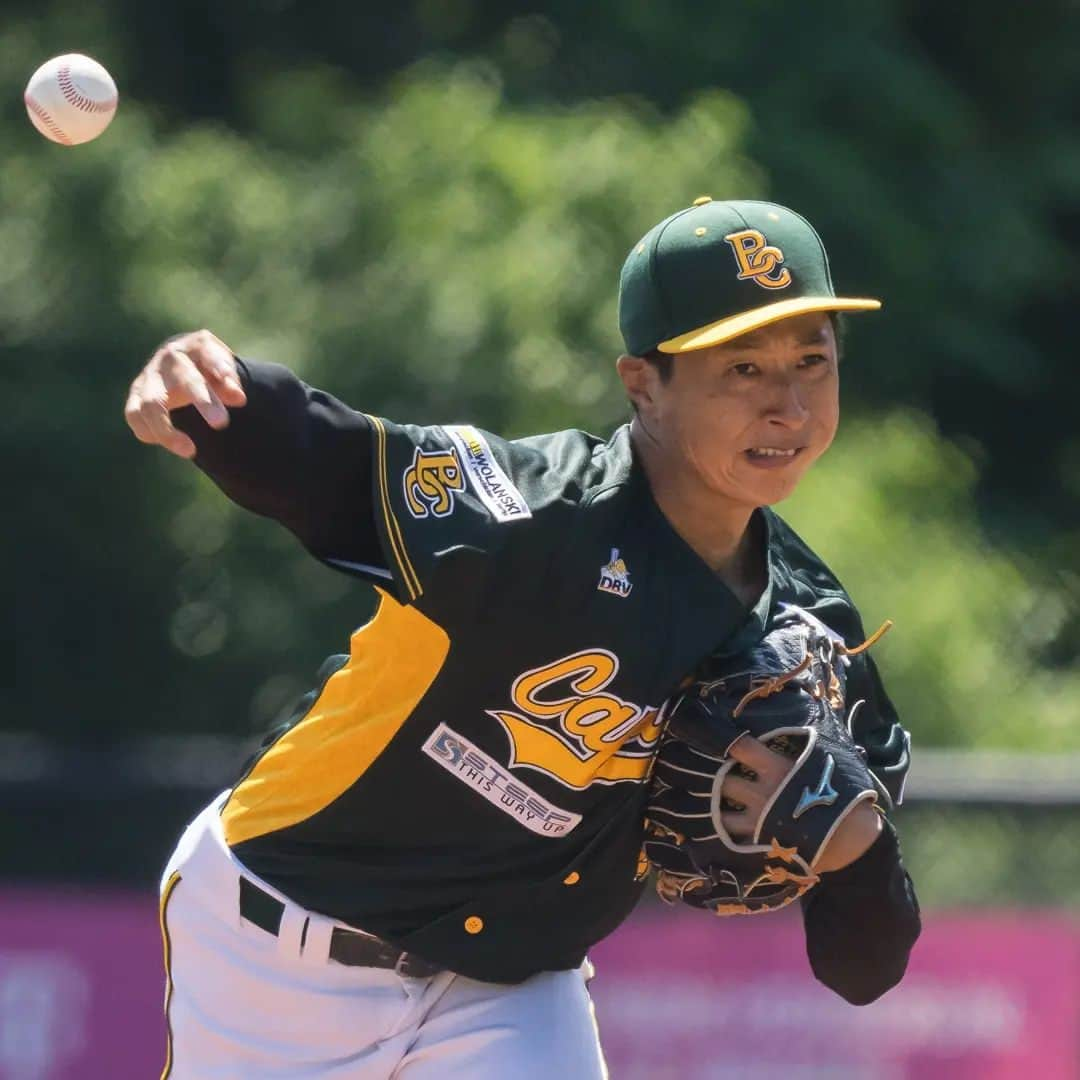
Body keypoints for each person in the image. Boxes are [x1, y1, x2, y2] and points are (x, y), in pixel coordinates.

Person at [125, 197, 921, 1079]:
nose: (788, 405)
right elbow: (331, 459)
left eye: (813, 361)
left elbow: (864, 969)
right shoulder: (530, 516)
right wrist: (209, 392)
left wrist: (858, 846)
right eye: (742, 368)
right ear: (642, 385)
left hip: (508, 989)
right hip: (276, 941)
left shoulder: (810, 632)